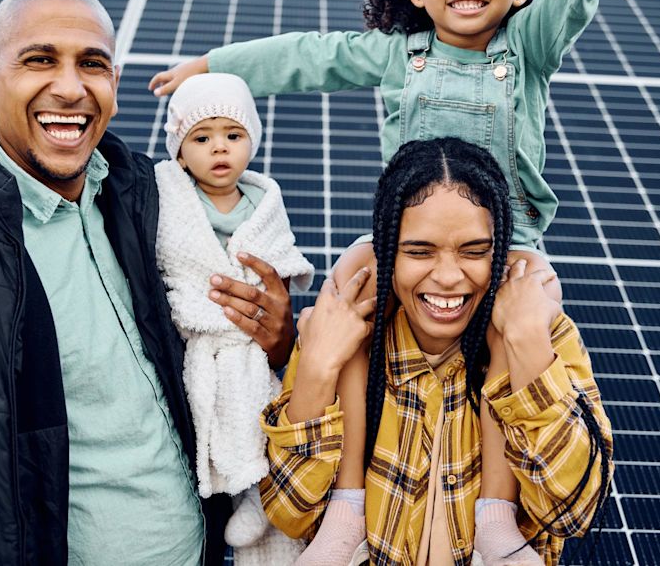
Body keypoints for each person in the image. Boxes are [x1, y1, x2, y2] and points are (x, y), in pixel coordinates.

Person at [149, 0, 660, 562]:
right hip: (397, 246)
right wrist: (213, 65)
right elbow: (306, 56)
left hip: (510, 247)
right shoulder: (396, 57)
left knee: (509, 337)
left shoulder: (525, 51)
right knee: (345, 307)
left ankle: (496, 518)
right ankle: (346, 505)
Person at [0, 0, 295, 565]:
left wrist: (277, 339)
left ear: (112, 83)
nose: (69, 87)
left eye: (92, 64)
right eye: (39, 60)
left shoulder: (141, 199)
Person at [259, 137, 613, 566]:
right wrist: (316, 368)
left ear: (499, 253)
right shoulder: (337, 338)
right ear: (387, 253)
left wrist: (528, 347)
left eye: (474, 251)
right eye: (419, 251)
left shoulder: (543, 336)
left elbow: (572, 511)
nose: (448, 277)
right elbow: (288, 512)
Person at [154, 72, 314, 564]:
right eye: (201, 138)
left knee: (258, 410)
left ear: (251, 142)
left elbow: (278, 261)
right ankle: (232, 492)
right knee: (208, 412)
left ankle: (259, 495)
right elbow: (171, 259)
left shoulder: (263, 202)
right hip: (201, 337)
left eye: (233, 136)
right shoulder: (171, 199)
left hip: (247, 345)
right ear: (180, 152)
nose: (218, 149)